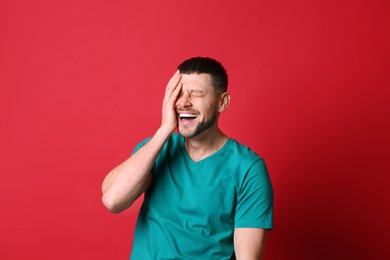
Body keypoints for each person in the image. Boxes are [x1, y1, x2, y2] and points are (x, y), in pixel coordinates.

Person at [102, 57, 274, 259]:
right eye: (178, 93)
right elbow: (113, 200)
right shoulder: (157, 149)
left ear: (222, 102)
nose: (183, 102)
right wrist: (165, 128)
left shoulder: (248, 168)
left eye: (196, 93)